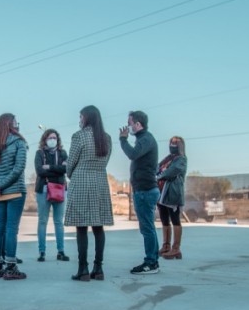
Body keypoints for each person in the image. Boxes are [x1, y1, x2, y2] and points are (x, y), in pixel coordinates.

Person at [64, 105, 114, 282]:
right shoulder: (106, 138)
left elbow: (71, 163)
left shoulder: (79, 136)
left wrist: (71, 173)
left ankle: (83, 268)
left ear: (86, 118)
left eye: (81, 117)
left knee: (81, 226)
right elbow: (106, 161)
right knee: (98, 226)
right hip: (100, 181)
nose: (79, 120)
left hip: (81, 181)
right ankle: (98, 268)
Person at [0, 113, 28, 280]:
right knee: (11, 229)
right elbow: (18, 169)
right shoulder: (19, 142)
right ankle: (10, 267)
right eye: (16, 121)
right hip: (15, 192)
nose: (17, 124)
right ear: (10, 124)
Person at [119, 110, 160, 275]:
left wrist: (123, 140)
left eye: (129, 123)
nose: (127, 127)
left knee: (147, 228)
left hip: (146, 191)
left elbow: (132, 154)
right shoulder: (143, 139)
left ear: (138, 124)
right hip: (143, 190)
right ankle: (153, 260)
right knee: (148, 228)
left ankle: (151, 263)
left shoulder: (146, 139)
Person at [34, 129, 70, 263]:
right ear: (45, 139)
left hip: (60, 189)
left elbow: (66, 169)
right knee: (42, 221)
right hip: (43, 189)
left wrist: (49, 167)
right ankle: (42, 252)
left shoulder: (63, 153)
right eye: (50, 137)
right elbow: (39, 171)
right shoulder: (39, 153)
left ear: (58, 140)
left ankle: (61, 251)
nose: (52, 140)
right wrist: (58, 169)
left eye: (54, 138)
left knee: (59, 222)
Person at [157, 136, 187, 260]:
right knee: (164, 219)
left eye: (175, 143)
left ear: (180, 146)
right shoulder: (168, 159)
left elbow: (171, 172)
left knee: (175, 219)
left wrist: (158, 176)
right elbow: (157, 168)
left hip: (173, 193)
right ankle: (166, 246)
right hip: (162, 193)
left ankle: (176, 249)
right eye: (171, 143)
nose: (172, 145)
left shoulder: (181, 159)